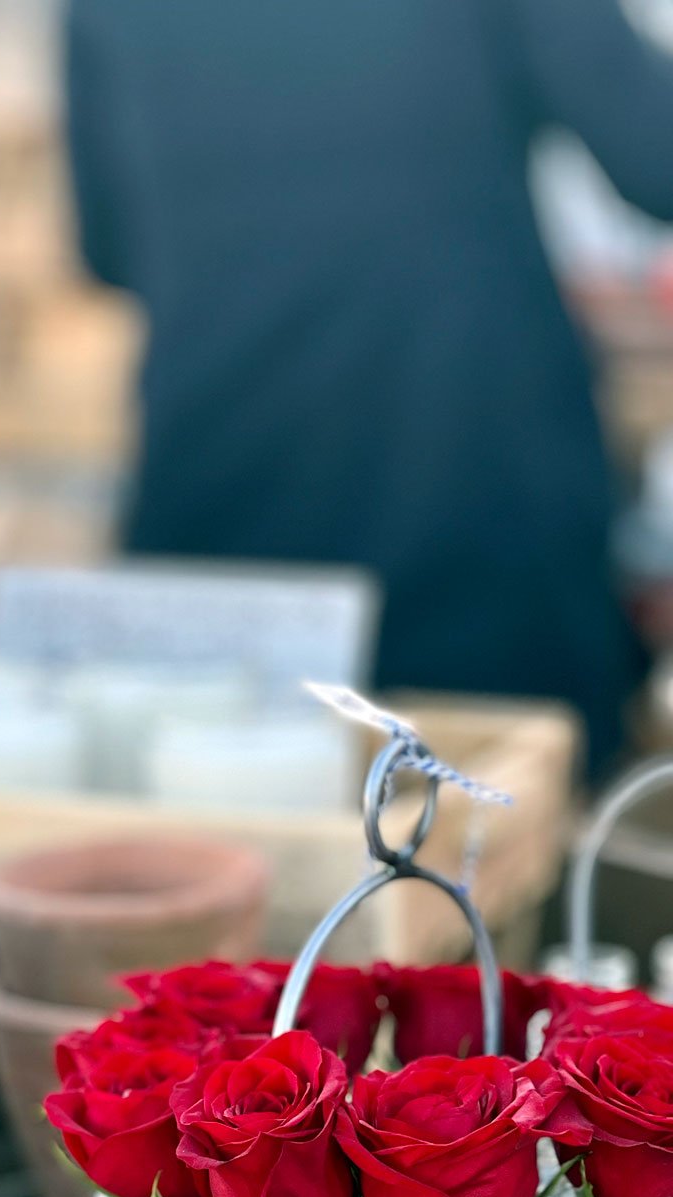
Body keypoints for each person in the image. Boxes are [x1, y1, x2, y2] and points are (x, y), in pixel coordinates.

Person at [65, 0, 673, 770]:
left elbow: (108, 250)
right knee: (504, 853)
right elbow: (657, 156)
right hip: (474, 506)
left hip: (226, 510)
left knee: (251, 858)